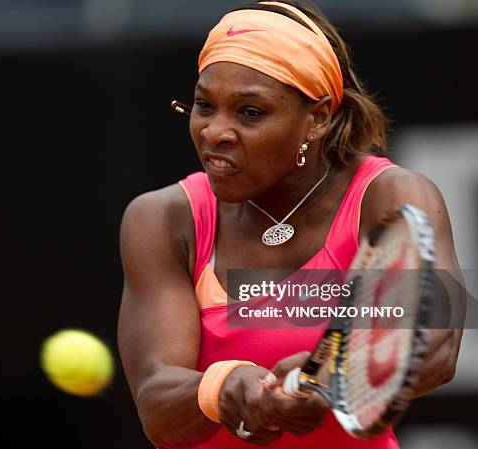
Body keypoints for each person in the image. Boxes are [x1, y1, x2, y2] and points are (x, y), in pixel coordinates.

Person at [118, 1, 463, 448]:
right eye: (204, 105)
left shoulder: (390, 196)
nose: (214, 132)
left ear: (317, 117)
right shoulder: (161, 217)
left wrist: (329, 381)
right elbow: (157, 406)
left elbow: (438, 347)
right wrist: (225, 386)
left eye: (250, 113)